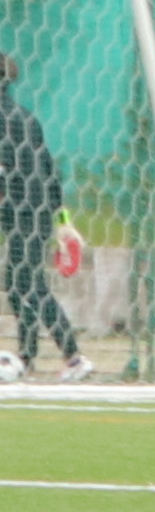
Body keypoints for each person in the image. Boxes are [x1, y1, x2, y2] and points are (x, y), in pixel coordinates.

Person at [0, 54, 80, 373]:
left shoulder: (6, 118)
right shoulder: (26, 117)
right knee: (20, 283)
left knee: (29, 285)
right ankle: (27, 356)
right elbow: (50, 169)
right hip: (37, 211)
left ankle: (74, 356)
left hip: (24, 211)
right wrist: (63, 222)